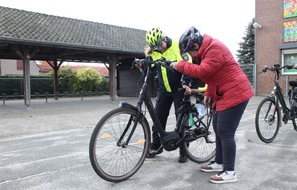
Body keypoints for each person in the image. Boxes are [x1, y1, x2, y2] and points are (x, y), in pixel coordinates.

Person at [170, 26, 254, 183]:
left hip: (237, 93)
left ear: (195, 46)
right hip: (225, 93)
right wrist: (209, 94)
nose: (190, 56)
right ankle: (219, 162)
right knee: (217, 126)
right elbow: (213, 77)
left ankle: (229, 172)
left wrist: (179, 65)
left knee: (225, 132)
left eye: (190, 52)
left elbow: (203, 71)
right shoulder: (206, 50)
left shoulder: (214, 48)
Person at [144, 27, 192, 163]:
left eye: (160, 45)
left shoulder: (178, 46)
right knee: (158, 118)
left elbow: (188, 64)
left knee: (181, 120)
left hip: (179, 88)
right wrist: (144, 63)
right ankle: (156, 146)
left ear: (164, 38)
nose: (159, 49)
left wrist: (186, 82)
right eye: (155, 47)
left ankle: (184, 150)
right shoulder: (153, 51)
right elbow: (151, 65)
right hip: (163, 89)